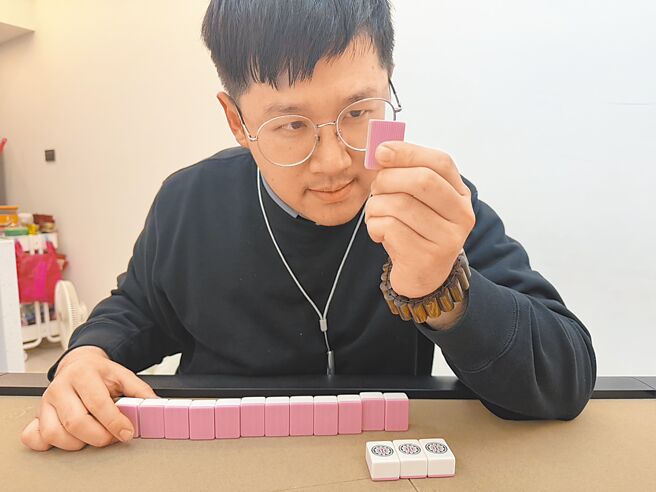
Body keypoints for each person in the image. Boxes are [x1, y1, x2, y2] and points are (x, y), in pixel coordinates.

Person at [21, 0, 596, 452]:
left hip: (380, 458)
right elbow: (138, 311)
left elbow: (565, 381)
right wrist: (86, 357)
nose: (333, 162)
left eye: (358, 112)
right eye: (291, 125)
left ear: (389, 84)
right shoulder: (189, 201)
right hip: (223, 459)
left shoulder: (428, 204)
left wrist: (446, 292)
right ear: (236, 120)